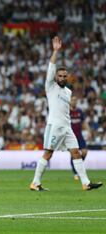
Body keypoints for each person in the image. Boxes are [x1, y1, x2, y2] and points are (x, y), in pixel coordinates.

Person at [29, 36, 102, 191]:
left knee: (76, 153)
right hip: (54, 126)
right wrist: (55, 51)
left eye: (64, 76)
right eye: (60, 76)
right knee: (48, 154)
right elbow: (51, 65)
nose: (62, 78)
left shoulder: (68, 91)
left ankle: (85, 183)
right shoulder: (50, 86)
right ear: (56, 77)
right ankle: (35, 182)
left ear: (68, 78)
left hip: (66, 127)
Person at [69, 96, 90, 180]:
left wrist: (88, 131)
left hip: (79, 136)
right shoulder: (67, 112)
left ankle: (78, 167)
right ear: (69, 101)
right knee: (74, 154)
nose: (74, 102)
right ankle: (76, 173)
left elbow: (84, 122)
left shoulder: (79, 111)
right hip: (70, 136)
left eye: (75, 100)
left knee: (84, 152)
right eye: (72, 100)